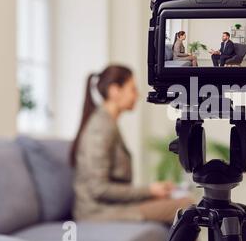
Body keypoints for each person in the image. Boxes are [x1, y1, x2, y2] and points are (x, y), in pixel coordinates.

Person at [70, 65, 195, 226]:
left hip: (111, 206)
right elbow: (99, 189)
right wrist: (149, 190)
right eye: (133, 89)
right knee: (185, 206)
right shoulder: (100, 128)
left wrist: (152, 193)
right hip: (97, 212)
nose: (137, 95)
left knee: (180, 202)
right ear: (115, 91)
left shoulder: (107, 123)